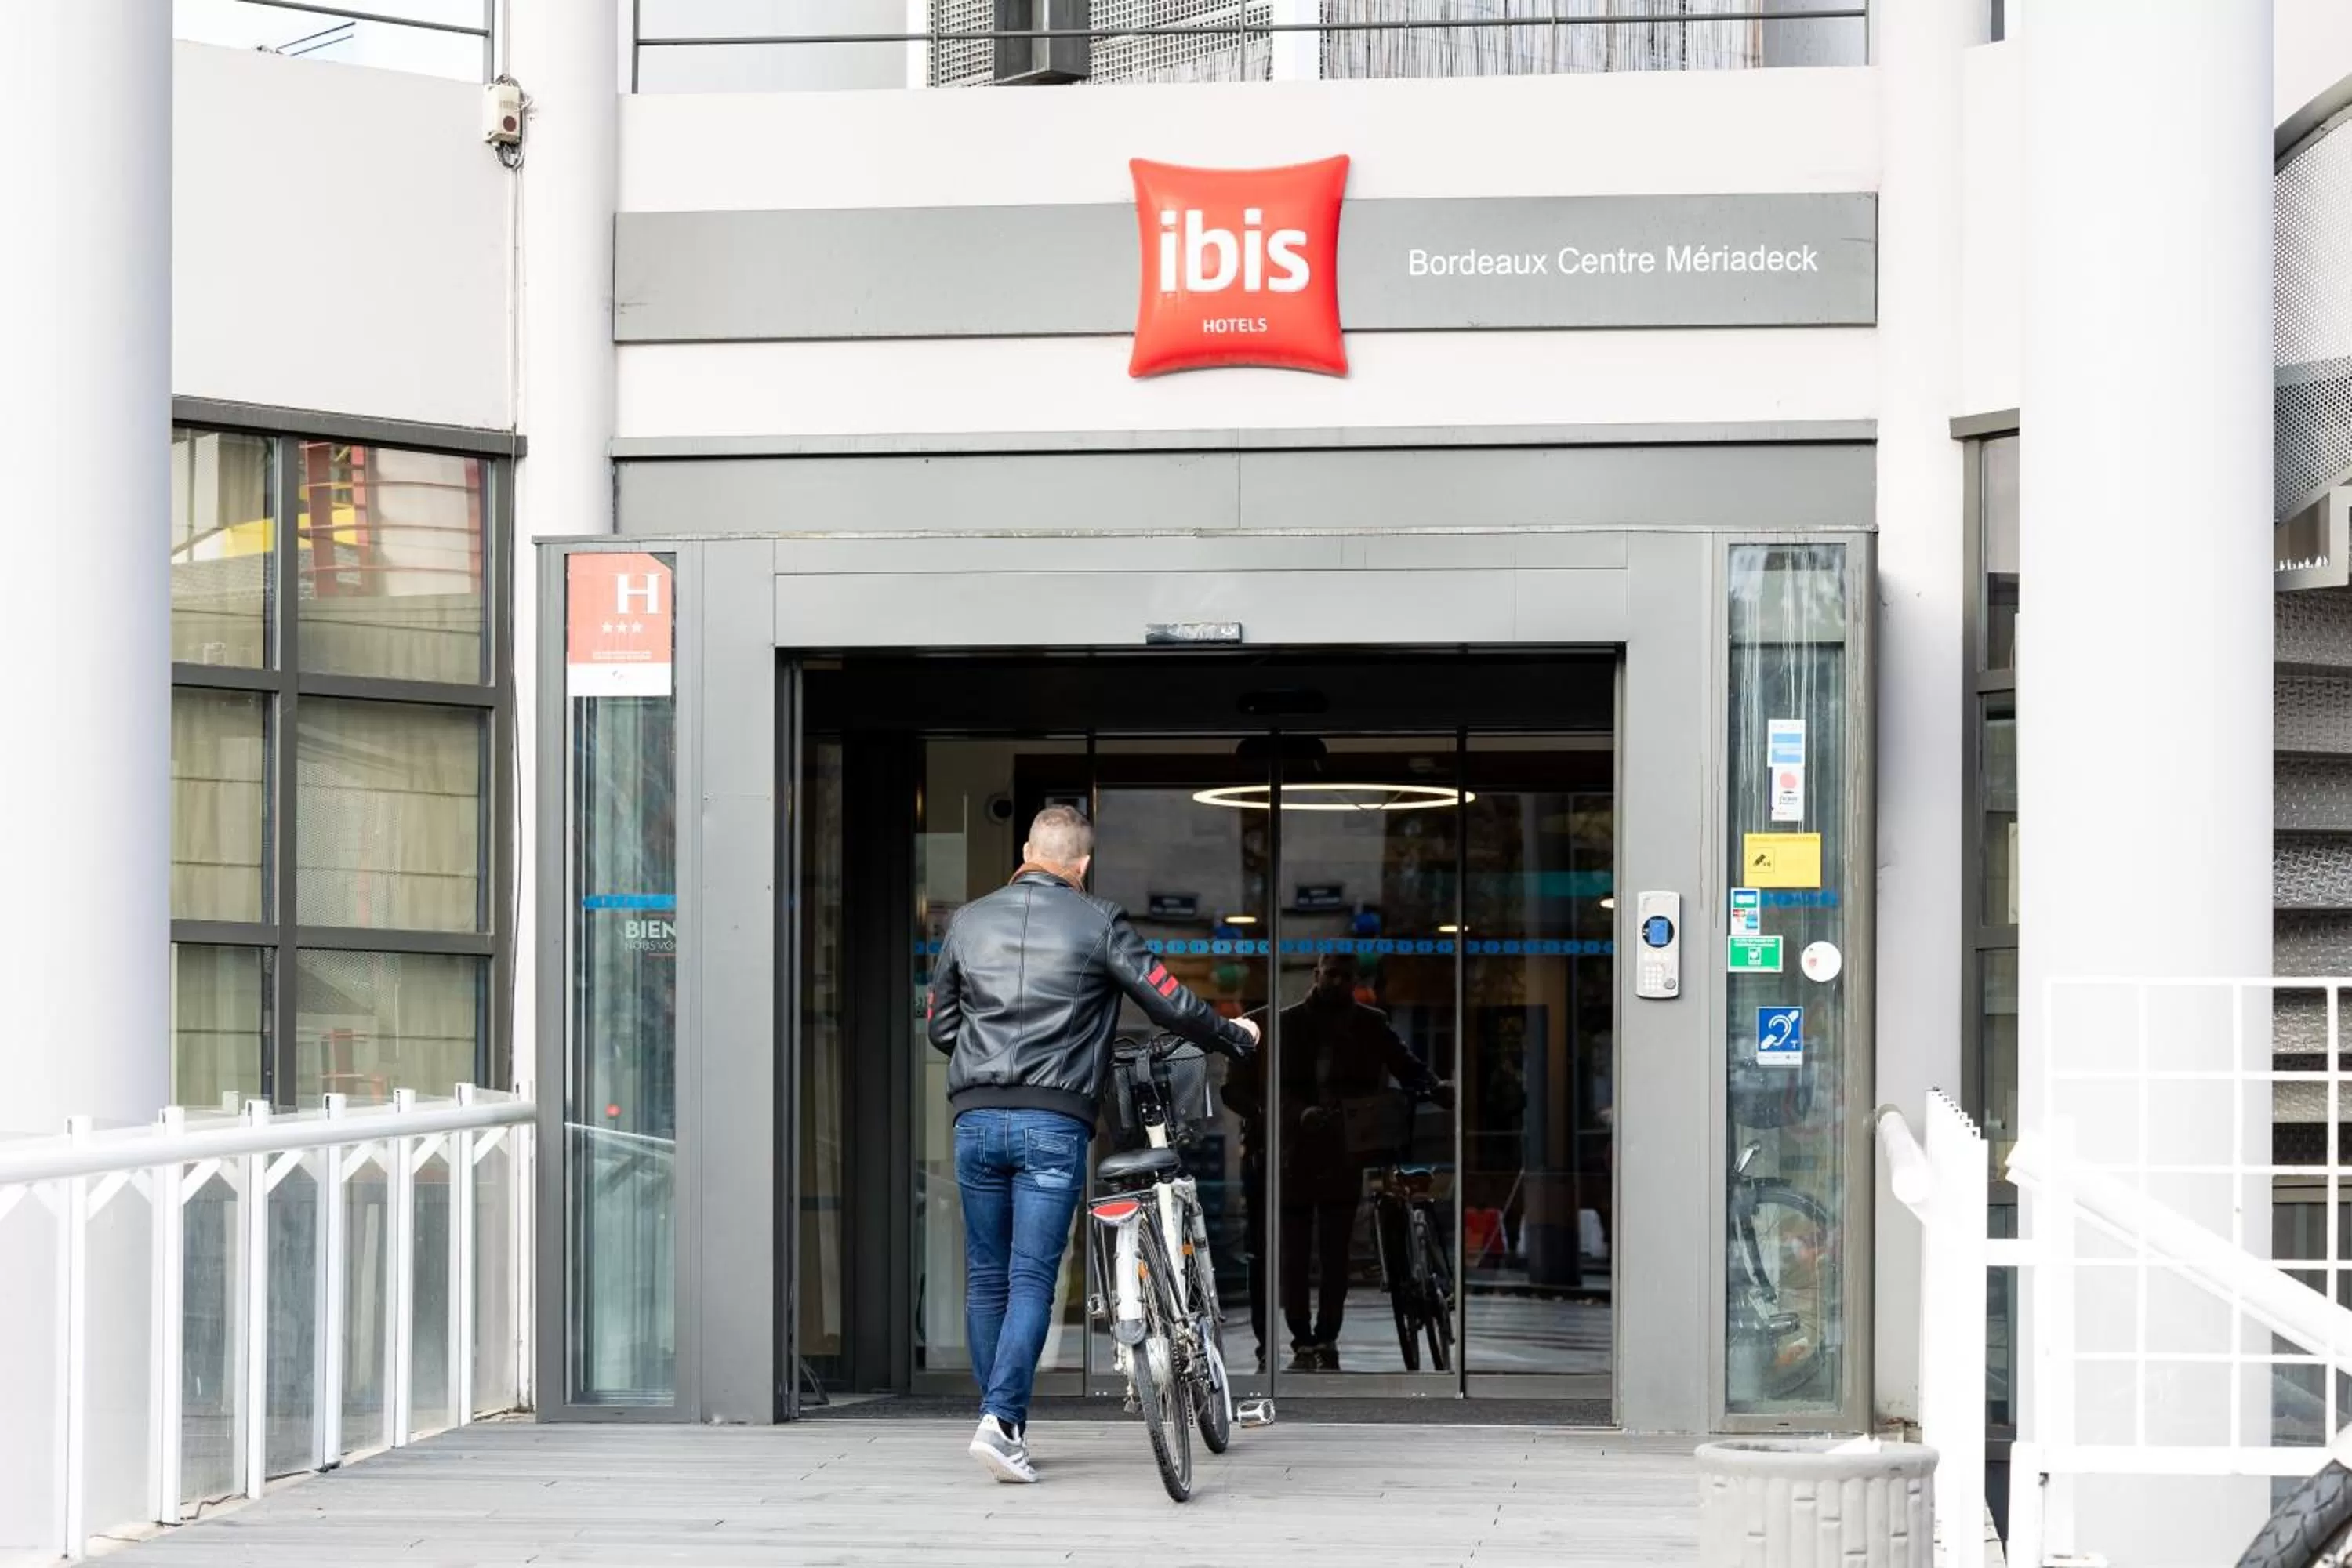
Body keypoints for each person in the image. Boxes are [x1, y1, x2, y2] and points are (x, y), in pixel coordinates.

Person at [926, 804, 1259, 1484]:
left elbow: (941, 1028)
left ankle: (1000, 1419)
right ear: (1082, 865)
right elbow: (1167, 1002)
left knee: (987, 1277)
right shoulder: (1099, 920)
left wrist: (993, 1063)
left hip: (976, 1120)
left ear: (1025, 851)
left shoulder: (967, 921)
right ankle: (1001, 1422)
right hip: (1052, 1121)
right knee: (1030, 1279)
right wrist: (1232, 1035)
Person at [1255, 952, 1450, 1370]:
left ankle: (1325, 1335)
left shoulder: (1370, 1023)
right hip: (1297, 1150)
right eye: (1331, 975)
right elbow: (1272, 1088)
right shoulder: (1288, 1024)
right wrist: (1299, 1115)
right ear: (1317, 975)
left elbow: (1406, 1065)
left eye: (1345, 977)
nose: (1337, 983)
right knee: (1296, 1251)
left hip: (1345, 1150)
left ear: (1354, 980)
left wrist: (1434, 1088)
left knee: (1333, 1250)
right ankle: (1302, 1336)